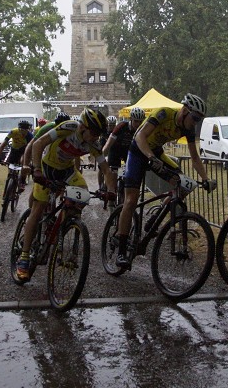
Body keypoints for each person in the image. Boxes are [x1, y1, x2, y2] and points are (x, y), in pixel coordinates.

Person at [112, 94, 216, 269]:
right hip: (138, 152)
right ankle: (121, 251)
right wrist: (150, 157)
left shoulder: (188, 128)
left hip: (156, 153)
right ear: (184, 111)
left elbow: (195, 157)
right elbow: (140, 136)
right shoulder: (163, 114)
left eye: (199, 120)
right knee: (131, 200)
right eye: (195, 118)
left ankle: (156, 216)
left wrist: (205, 179)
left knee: (183, 184)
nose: (196, 123)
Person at [15, 108, 116, 282]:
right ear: (83, 127)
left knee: (83, 194)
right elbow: (39, 144)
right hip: (48, 168)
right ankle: (24, 257)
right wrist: (37, 170)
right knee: (38, 209)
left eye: (99, 134)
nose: (96, 137)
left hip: (67, 171)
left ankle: (67, 222)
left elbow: (106, 170)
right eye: (94, 133)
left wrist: (111, 192)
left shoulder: (94, 144)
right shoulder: (68, 127)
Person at [20, 112, 70, 191]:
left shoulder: (71, 129)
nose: (61, 128)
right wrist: (26, 164)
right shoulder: (47, 127)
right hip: (44, 150)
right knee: (37, 189)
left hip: (59, 154)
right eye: (58, 125)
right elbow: (31, 145)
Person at [102, 107, 146, 173]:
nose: (138, 124)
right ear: (131, 119)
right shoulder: (121, 126)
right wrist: (102, 158)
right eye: (136, 121)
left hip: (128, 152)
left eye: (140, 121)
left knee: (132, 173)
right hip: (115, 151)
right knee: (112, 177)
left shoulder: (142, 129)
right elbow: (108, 144)